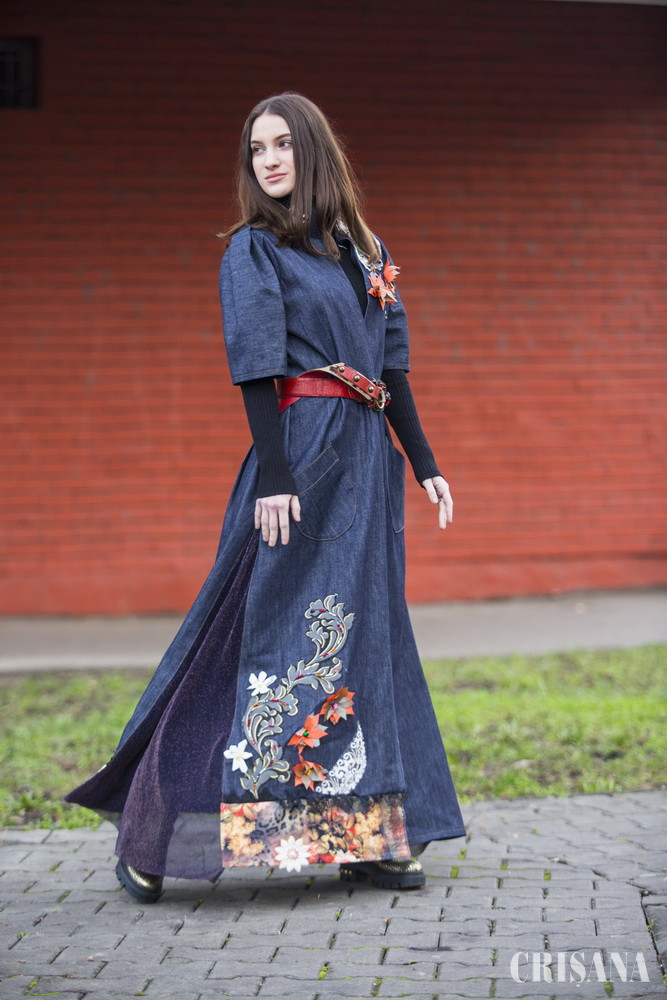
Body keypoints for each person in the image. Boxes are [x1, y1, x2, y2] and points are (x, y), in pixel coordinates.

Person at [66, 92, 465, 903]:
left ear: (312, 150)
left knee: (365, 642)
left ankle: (365, 838)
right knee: (260, 637)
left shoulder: (365, 250)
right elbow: (256, 365)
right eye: (257, 149)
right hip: (302, 453)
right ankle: (153, 834)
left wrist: (423, 460)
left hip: (367, 461)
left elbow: (390, 367)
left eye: (282, 144)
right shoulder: (254, 250)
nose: (270, 160)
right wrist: (276, 477)